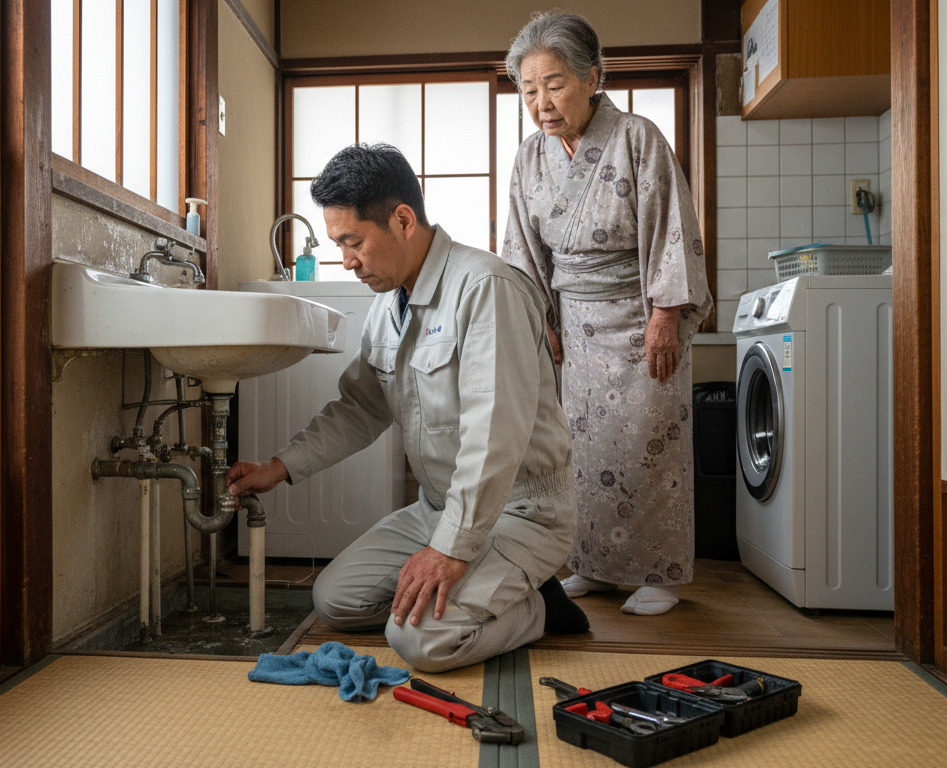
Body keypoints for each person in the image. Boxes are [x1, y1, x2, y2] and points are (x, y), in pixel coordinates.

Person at [227, 143, 589, 673]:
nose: (347, 261)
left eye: (353, 242)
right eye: (338, 244)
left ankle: (538, 606)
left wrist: (452, 549)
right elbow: (358, 409)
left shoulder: (485, 288)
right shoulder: (387, 307)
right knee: (336, 599)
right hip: (438, 507)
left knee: (421, 642)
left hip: (521, 511)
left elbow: (495, 437)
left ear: (402, 220)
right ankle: (488, 587)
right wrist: (278, 468)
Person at [499, 11, 712, 616]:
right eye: (529, 88)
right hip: (574, 325)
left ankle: (659, 572)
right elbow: (520, 248)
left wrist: (667, 315)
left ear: (593, 77)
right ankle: (591, 563)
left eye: (555, 83)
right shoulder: (529, 159)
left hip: (641, 319)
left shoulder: (638, 137)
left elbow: (673, 228)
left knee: (650, 443)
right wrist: (539, 319)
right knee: (580, 450)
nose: (541, 101)